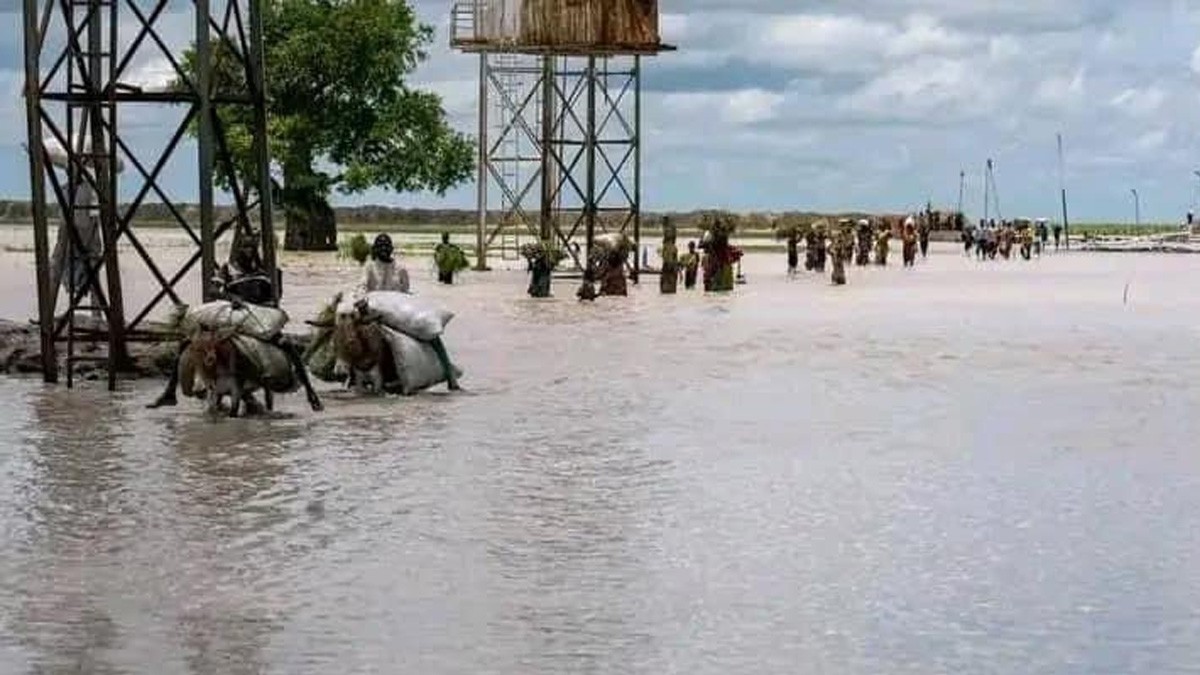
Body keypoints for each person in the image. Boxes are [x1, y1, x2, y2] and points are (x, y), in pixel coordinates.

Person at [360, 233, 460, 391]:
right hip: (375, 316)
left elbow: (405, 293)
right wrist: (361, 303)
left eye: (387, 247)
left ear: (392, 249)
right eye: (381, 247)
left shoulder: (400, 269)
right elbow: (363, 288)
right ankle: (352, 374)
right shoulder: (369, 267)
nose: (384, 250)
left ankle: (450, 375)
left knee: (434, 337)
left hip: (398, 316)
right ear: (375, 250)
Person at [660, 217, 679, 294]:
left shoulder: (670, 247)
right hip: (669, 275)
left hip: (669, 275)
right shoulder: (670, 247)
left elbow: (670, 261)